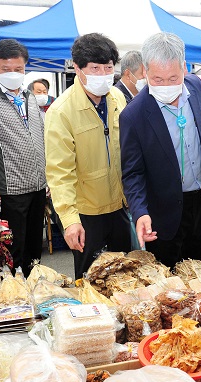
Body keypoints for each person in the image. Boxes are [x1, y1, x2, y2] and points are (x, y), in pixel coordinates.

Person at [120, 32, 201, 268]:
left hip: (200, 204)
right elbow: (132, 173)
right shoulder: (134, 115)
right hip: (162, 213)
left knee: (200, 272)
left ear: (184, 68)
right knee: (167, 286)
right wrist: (140, 212)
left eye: (173, 77)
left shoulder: (196, 87)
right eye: (158, 79)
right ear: (145, 71)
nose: (167, 86)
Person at [45, 33, 131, 279]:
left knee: (124, 274)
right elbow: (59, 173)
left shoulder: (117, 98)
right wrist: (70, 220)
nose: (103, 75)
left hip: (118, 207)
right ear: (77, 68)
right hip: (86, 213)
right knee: (92, 279)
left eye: (108, 68)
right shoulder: (61, 112)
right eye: (95, 68)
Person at [0, 39, 46, 277]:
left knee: (34, 251)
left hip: (37, 187)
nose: (13, 74)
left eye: (19, 69)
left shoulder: (29, 97)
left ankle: (33, 294)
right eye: (6, 69)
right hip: (9, 192)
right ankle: (14, 301)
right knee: (13, 253)